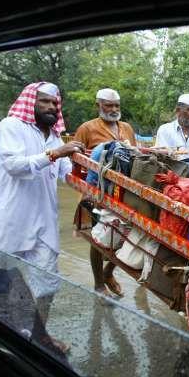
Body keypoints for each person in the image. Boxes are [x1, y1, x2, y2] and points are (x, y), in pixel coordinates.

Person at [0, 82, 84, 353]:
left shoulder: (55, 136)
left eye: (54, 103)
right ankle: (0, 335)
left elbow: (67, 173)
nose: (50, 107)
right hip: (9, 219)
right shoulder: (10, 126)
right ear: (30, 101)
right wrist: (56, 153)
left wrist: (95, 179)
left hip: (43, 223)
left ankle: (40, 336)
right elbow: (14, 166)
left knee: (48, 282)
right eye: (44, 101)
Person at [74, 88, 136, 297]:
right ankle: (99, 284)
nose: (113, 109)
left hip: (123, 193)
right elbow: (75, 159)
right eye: (108, 105)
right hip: (97, 193)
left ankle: (109, 272)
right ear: (98, 105)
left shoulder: (126, 128)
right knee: (98, 239)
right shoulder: (87, 128)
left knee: (125, 234)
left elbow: (134, 157)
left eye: (116, 105)